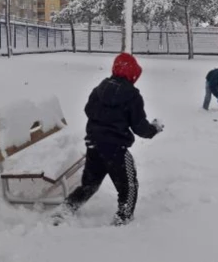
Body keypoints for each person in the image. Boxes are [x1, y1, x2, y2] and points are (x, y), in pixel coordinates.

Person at [52, 53, 164, 226]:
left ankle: (67, 208)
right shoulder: (133, 96)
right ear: (132, 73)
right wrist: (154, 129)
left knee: (89, 184)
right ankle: (123, 217)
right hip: (116, 150)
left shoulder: (99, 89)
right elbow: (140, 127)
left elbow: (88, 110)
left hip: (94, 145)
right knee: (129, 186)